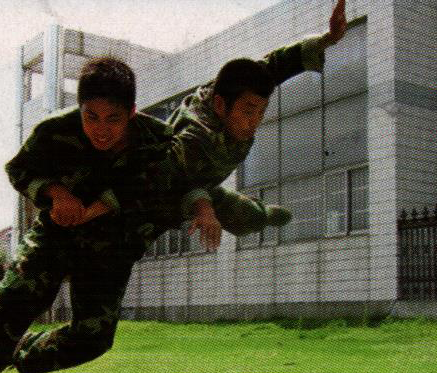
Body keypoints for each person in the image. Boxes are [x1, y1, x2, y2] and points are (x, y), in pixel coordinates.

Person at [0, 57, 196, 373]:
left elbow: (173, 181)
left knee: (94, 337)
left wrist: (201, 208)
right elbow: (19, 170)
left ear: (132, 113)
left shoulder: (157, 140)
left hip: (111, 246)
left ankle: (23, 354)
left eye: (113, 119)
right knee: (7, 303)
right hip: (57, 234)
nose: (101, 130)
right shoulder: (53, 131)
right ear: (80, 109)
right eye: (91, 117)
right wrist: (55, 193)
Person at [79, 0, 348, 251]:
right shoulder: (195, 139)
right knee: (221, 211)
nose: (254, 121)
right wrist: (204, 209)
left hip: (198, 180)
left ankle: (260, 215)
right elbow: (159, 179)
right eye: (248, 112)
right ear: (220, 105)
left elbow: (273, 66)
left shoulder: (233, 87)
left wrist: (329, 39)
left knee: (246, 217)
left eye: (261, 112)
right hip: (164, 194)